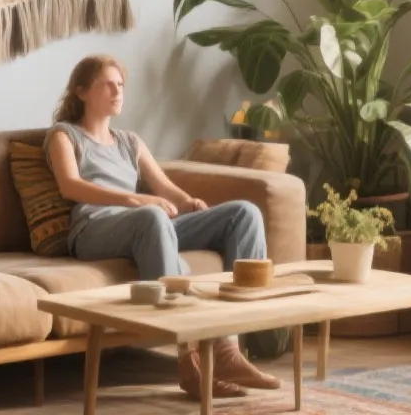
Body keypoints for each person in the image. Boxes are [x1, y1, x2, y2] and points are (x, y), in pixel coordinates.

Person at [44, 54, 282, 398]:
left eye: (120, 85)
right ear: (81, 91)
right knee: (153, 216)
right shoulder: (65, 135)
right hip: (94, 227)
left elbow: (164, 187)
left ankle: (228, 350)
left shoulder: (129, 141)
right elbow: (70, 186)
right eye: (107, 85)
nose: (117, 91)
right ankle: (188, 360)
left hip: (142, 223)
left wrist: (188, 202)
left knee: (244, 214)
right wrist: (136, 200)